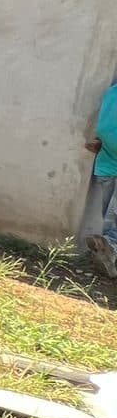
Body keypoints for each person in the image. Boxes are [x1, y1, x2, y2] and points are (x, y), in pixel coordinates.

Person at [86, 81, 117, 277]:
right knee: (112, 218)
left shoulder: (112, 93)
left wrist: (102, 143)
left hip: (106, 165)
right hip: (109, 164)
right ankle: (108, 247)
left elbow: (104, 130)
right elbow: (107, 131)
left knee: (110, 218)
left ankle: (109, 261)